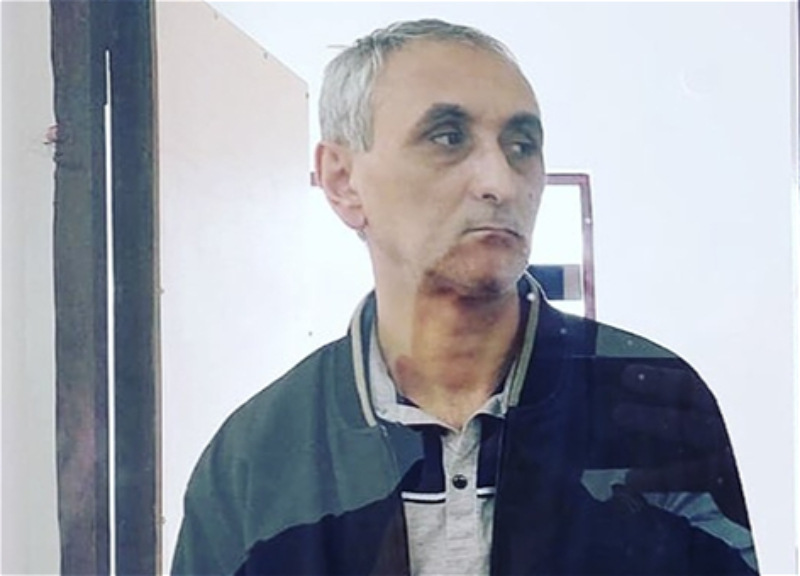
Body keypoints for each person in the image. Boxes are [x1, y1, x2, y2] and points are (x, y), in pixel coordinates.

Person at [171, 19, 758, 576]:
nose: (500, 182)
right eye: (448, 138)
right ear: (343, 180)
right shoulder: (259, 456)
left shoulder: (650, 402)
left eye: (521, 145)